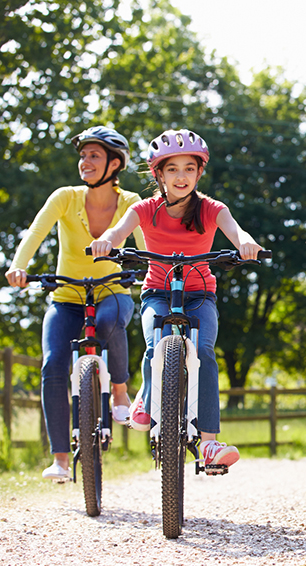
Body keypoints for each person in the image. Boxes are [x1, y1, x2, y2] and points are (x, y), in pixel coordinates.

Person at [90, 128, 263, 470]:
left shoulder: (212, 209)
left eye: (189, 168)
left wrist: (246, 243)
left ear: (199, 172)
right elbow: (118, 231)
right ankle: (147, 397)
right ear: (159, 174)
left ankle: (210, 444)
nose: (181, 176)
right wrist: (107, 241)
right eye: (172, 169)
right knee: (156, 343)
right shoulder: (145, 209)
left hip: (200, 295)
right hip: (157, 291)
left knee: (204, 352)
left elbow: (236, 230)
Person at [5, 126, 145, 481]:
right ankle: (61, 460)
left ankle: (119, 391)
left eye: (94, 155)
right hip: (67, 296)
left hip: (112, 291)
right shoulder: (65, 197)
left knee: (112, 322)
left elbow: (145, 249)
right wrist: (19, 266)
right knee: (53, 364)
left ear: (115, 163)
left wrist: (151, 273)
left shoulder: (130, 203)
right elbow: (36, 232)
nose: (85, 161)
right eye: (82, 155)